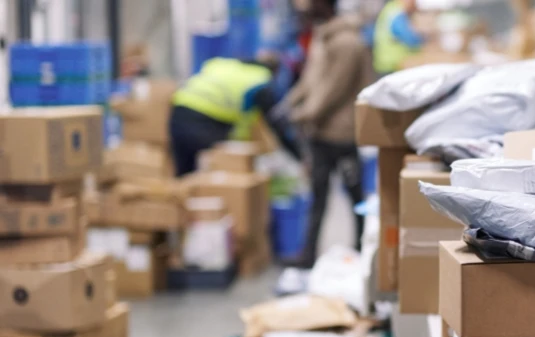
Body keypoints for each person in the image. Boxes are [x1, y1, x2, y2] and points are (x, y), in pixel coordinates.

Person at [281, 0, 374, 263]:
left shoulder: (347, 43)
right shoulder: (323, 38)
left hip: (341, 135)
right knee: (317, 197)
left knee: (354, 195)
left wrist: (304, 115)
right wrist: (290, 102)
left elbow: (333, 89)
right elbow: (312, 79)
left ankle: (361, 249)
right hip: (321, 134)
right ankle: (308, 254)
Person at [169, 58, 302, 176]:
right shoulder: (260, 81)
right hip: (205, 120)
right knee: (225, 174)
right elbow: (277, 124)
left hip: (178, 110)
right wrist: (299, 156)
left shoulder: (226, 65)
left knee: (185, 174)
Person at [373, 0, 423, 74]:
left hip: (386, 61)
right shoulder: (396, 13)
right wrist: (423, 39)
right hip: (392, 63)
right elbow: (410, 39)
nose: (415, 4)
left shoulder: (391, 8)